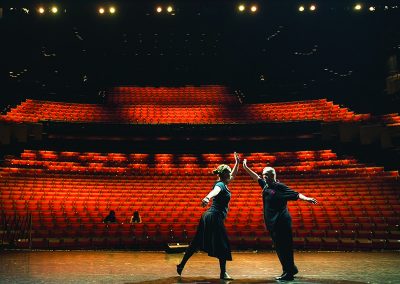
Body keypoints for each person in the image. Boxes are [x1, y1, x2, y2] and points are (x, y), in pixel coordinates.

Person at [243, 160, 318, 281]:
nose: (263, 177)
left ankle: (288, 273)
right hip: (272, 224)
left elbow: (296, 194)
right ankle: (290, 269)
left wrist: (307, 198)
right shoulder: (266, 186)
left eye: (265, 175)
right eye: (263, 175)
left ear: (272, 176)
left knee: (285, 248)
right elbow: (255, 177)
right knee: (279, 248)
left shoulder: (280, 187)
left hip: (281, 222)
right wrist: (245, 167)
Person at [176, 152, 240, 280]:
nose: (230, 175)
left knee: (196, 242)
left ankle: (181, 265)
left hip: (208, 216)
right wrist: (207, 197)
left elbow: (234, 174)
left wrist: (237, 163)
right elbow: (215, 191)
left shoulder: (225, 183)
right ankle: (223, 273)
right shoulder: (220, 185)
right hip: (214, 216)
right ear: (223, 175)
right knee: (222, 244)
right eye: (228, 173)